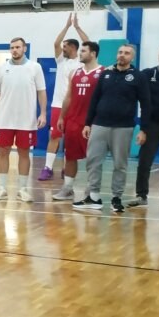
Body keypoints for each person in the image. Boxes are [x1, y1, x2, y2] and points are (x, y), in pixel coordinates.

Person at [74, 44, 151, 214]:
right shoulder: (106, 74)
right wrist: (88, 123)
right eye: (120, 52)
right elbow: (95, 99)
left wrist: (144, 129)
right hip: (99, 124)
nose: (122, 55)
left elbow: (146, 104)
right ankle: (93, 197)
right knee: (93, 161)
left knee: (120, 164)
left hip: (123, 127)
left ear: (132, 57)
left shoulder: (138, 77)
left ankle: (117, 198)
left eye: (127, 53)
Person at [0, 38, 47, 202]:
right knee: (3, 152)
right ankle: (1, 188)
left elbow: (41, 92)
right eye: (12, 47)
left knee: (24, 153)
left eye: (18, 47)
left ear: (24, 48)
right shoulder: (2, 68)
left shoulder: (35, 67)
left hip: (26, 121)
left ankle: (23, 189)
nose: (14, 50)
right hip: (5, 119)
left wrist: (43, 113)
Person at [127, 45, 159, 208]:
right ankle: (141, 195)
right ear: (158, 56)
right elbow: (133, 82)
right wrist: (143, 129)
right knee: (144, 162)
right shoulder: (147, 74)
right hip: (152, 124)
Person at [51, 41, 102, 201]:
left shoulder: (103, 73)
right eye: (80, 51)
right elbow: (68, 97)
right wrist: (62, 116)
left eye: (84, 51)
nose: (80, 53)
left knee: (93, 157)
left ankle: (91, 190)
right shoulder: (74, 72)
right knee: (70, 156)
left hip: (92, 122)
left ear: (93, 53)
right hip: (73, 119)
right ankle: (67, 188)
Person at [41, 13, 87, 180]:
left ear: (73, 48)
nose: (62, 48)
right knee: (54, 136)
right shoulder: (61, 61)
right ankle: (47, 168)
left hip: (75, 107)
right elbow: (55, 43)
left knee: (71, 139)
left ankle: (66, 168)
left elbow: (88, 43)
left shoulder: (82, 63)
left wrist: (78, 28)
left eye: (65, 46)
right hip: (58, 105)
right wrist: (67, 26)